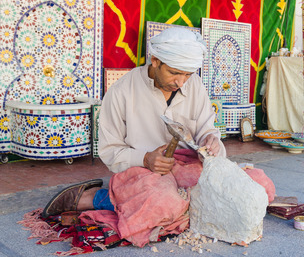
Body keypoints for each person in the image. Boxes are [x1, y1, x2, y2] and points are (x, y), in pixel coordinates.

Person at [42, 27, 226, 217]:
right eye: (174, 73)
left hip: (184, 167)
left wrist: (209, 141)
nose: (181, 82)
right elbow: (109, 151)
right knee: (163, 204)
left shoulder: (195, 85)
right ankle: (96, 197)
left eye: (187, 74)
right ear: (155, 61)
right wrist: (145, 159)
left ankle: (136, 202)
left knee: (234, 187)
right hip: (143, 174)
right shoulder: (121, 92)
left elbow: (206, 129)